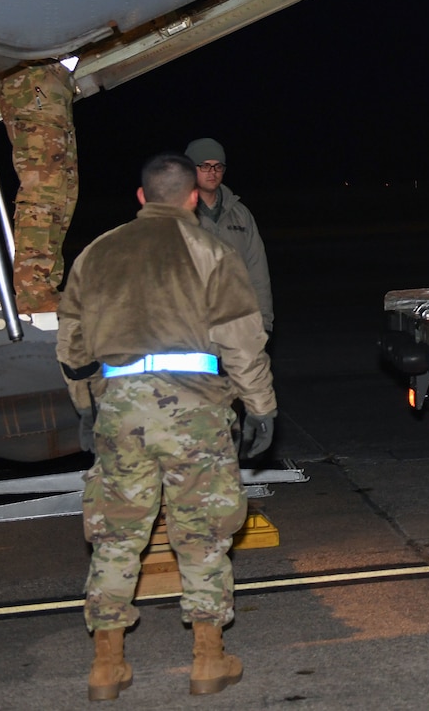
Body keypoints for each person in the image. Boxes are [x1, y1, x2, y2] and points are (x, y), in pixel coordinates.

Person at [57, 152, 278, 700]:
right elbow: (242, 340)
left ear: (141, 198)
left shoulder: (95, 253)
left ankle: (106, 667)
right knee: (202, 534)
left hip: (122, 408)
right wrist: (261, 407)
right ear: (191, 198)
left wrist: (86, 404)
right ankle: (208, 660)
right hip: (194, 411)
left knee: (116, 535)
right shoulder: (211, 251)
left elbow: (72, 345)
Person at [0, 60, 78, 313]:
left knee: (64, 190)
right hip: (35, 79)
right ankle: (33, 291)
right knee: (44, 189)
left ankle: (44, 285)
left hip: (48, 82)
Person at [184, 138, 273, 332]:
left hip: (237, 324)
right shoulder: (178, 214)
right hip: (192, 329)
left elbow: (257, 270)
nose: (213, 172)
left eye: (218, 166)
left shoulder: (240, 214)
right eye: (205, 166)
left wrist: (264, 322)